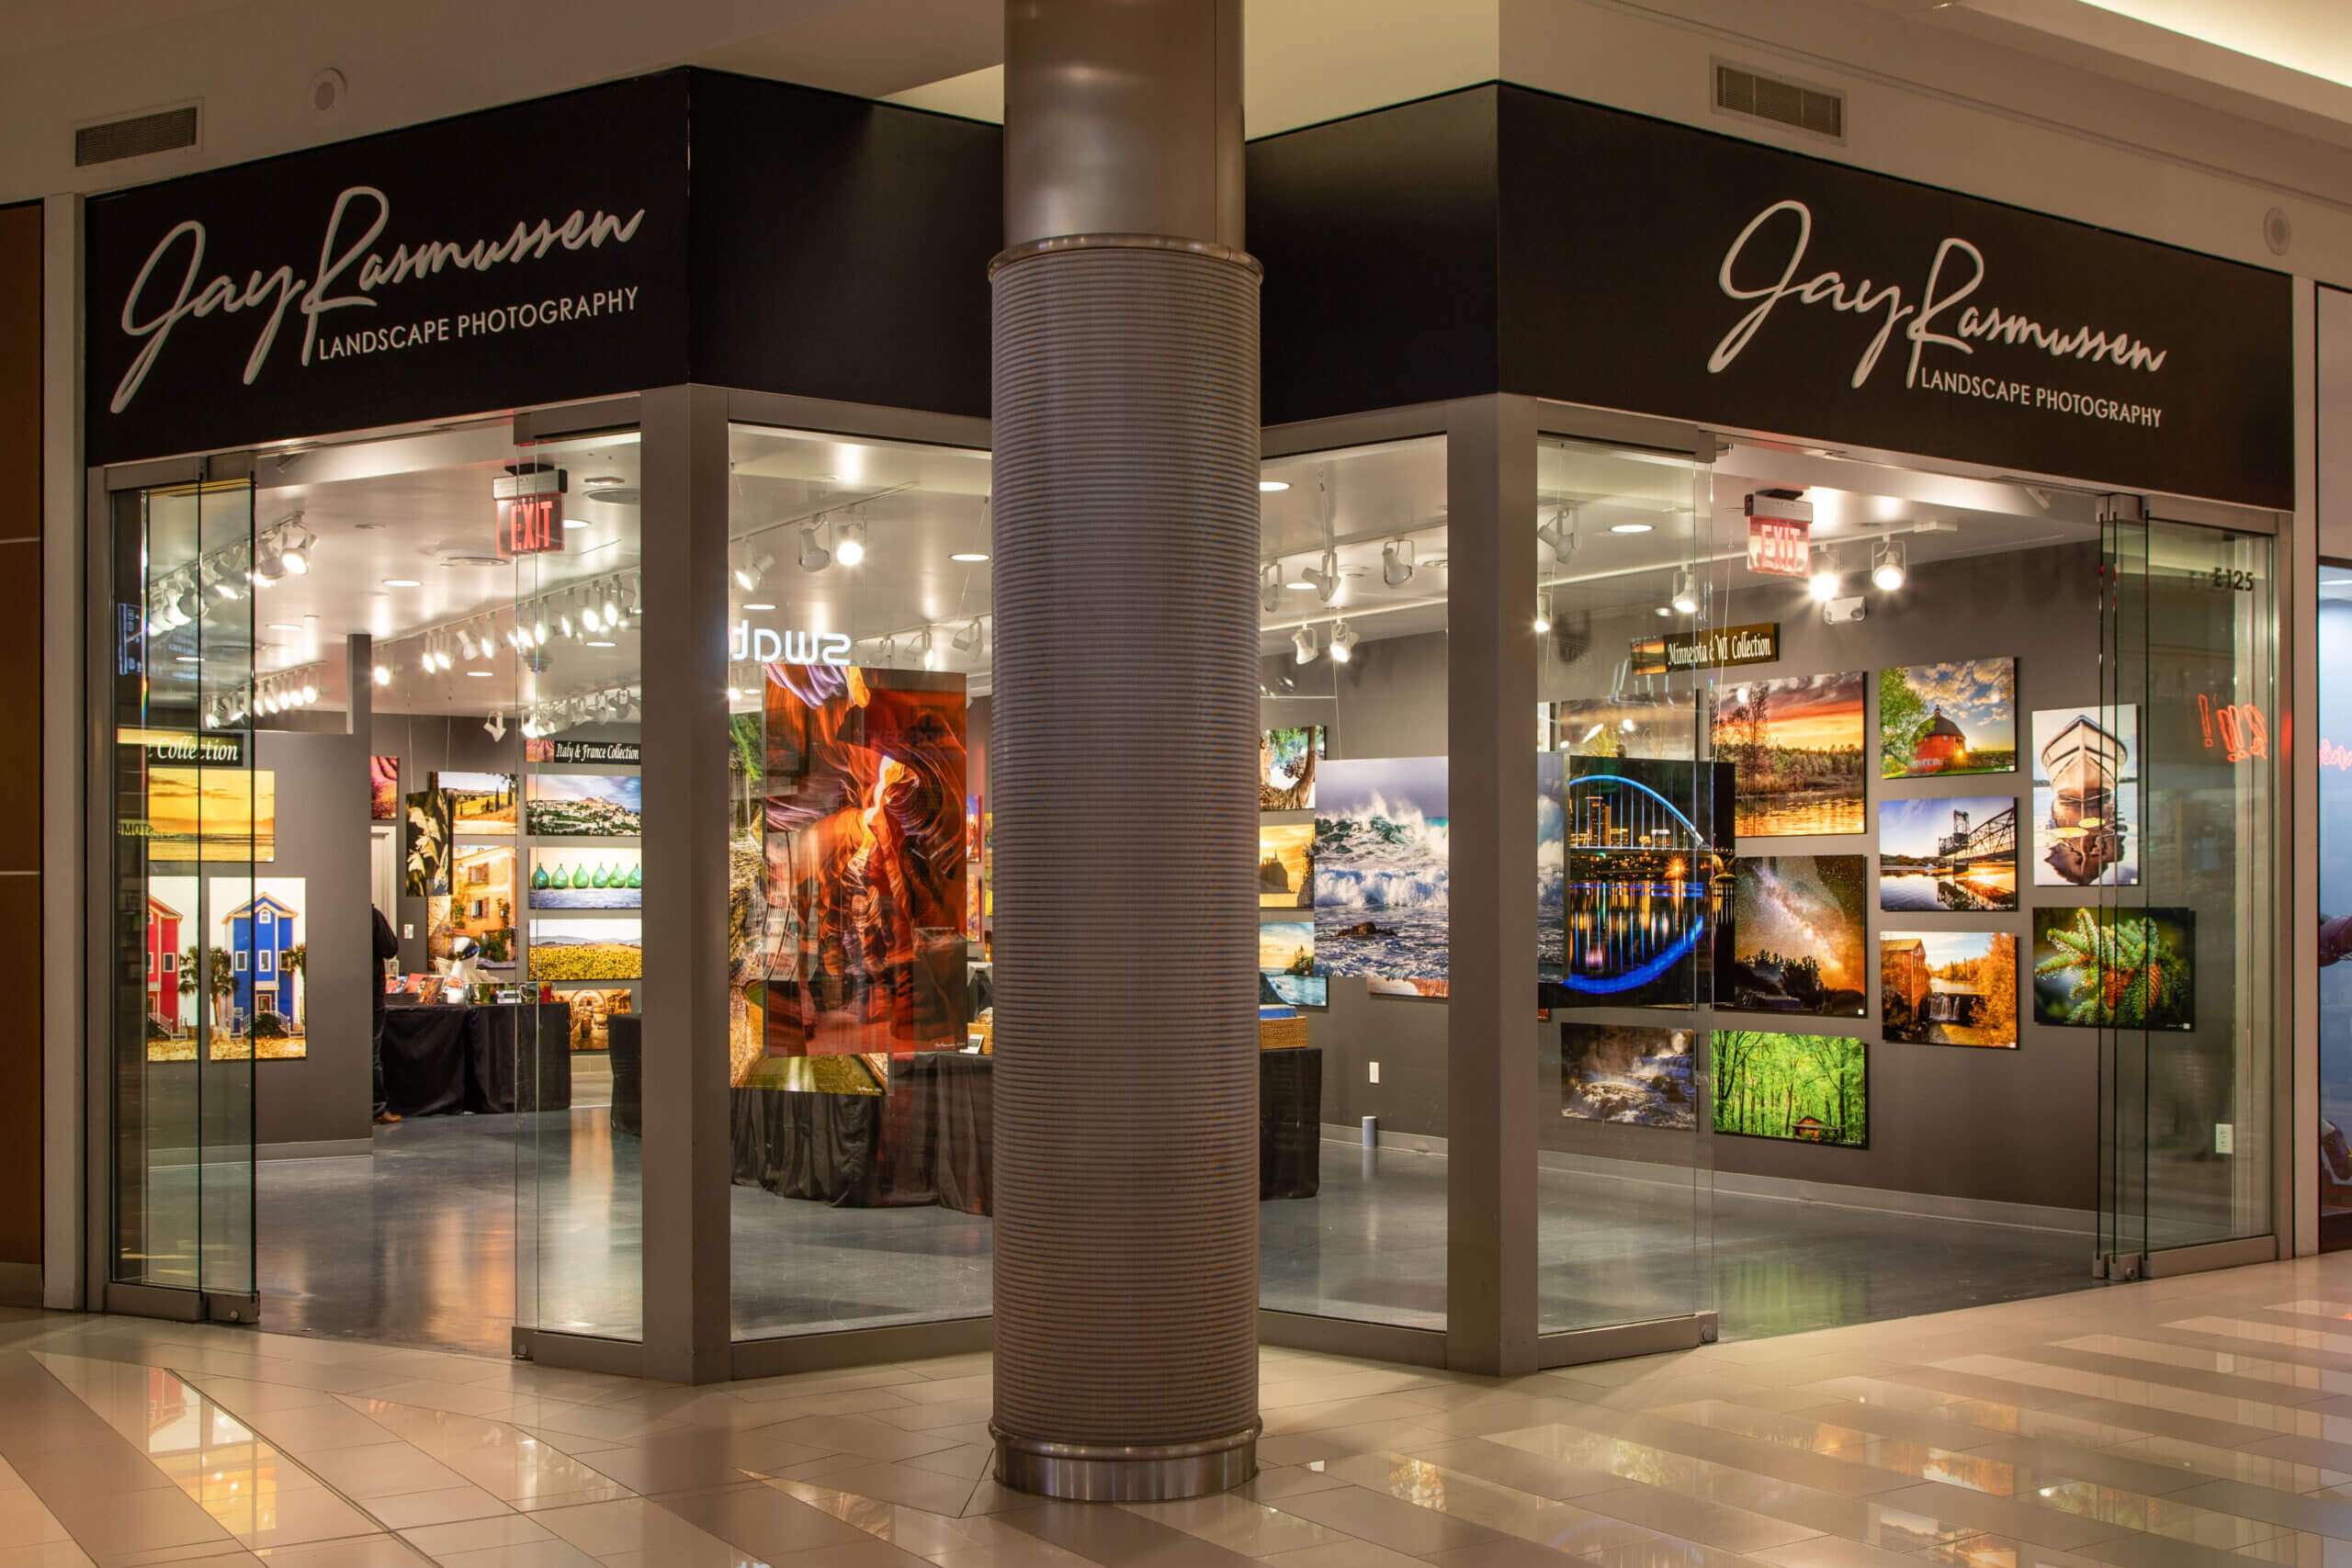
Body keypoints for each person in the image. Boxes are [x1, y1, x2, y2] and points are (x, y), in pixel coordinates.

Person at [371, 904, 401, 1126]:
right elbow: (390, 948)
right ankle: (376, 1110)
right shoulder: (371, 915)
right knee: (371, 1054)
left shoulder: (335, 912)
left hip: (342, 995)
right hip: (370, 995)